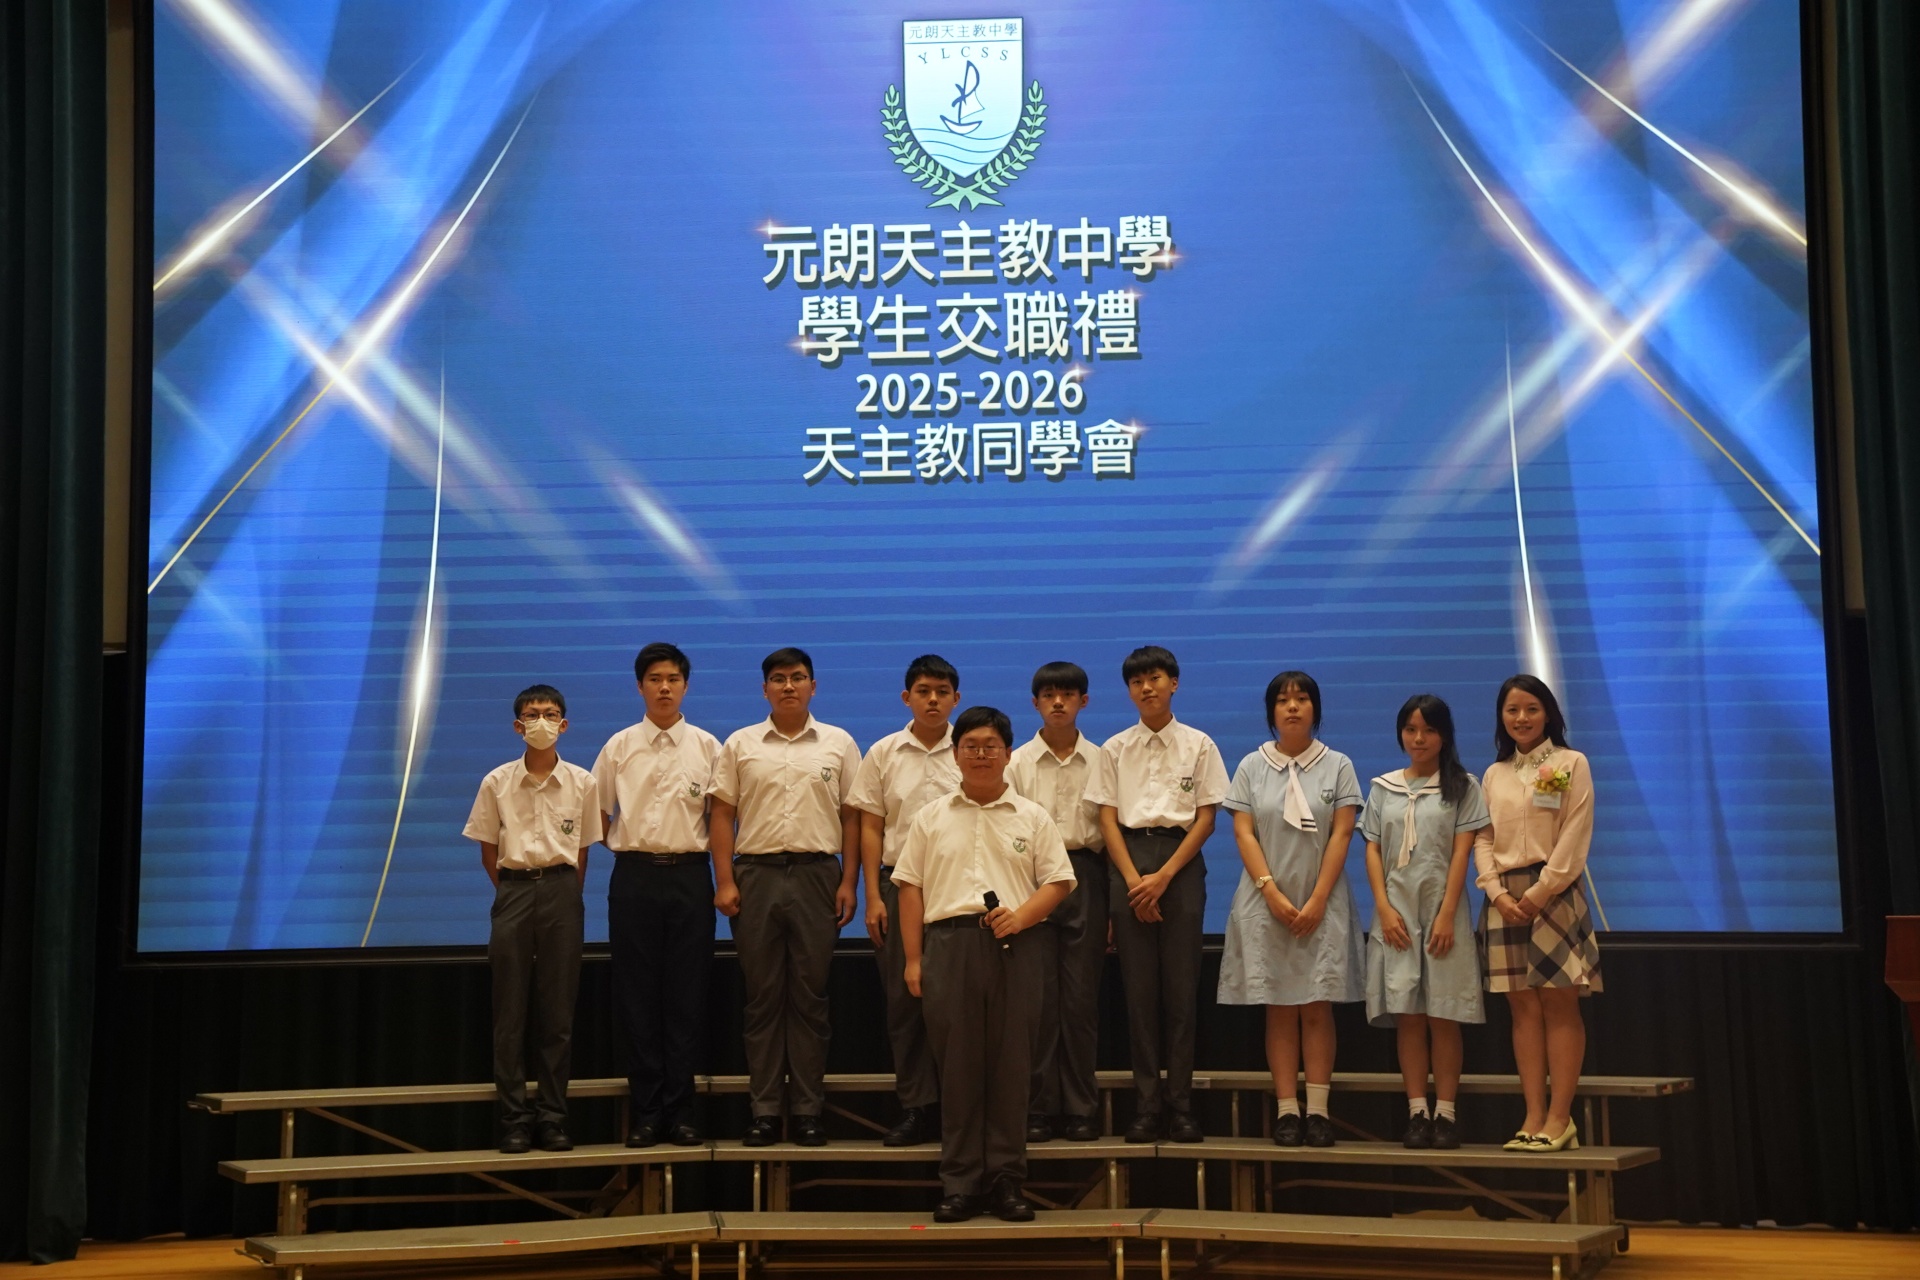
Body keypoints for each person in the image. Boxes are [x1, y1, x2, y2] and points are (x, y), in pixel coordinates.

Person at [896, 705, 1076, 1223]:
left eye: (990, 746)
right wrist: (914, 959)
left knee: (1011, 1069)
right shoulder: (931, 816)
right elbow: (909, 888)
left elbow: (1059, 882)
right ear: (955, 754)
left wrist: (1020, 917)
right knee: (957, 1071)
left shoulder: (1032, 816)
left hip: (1016, 950)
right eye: (970, 746)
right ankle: (959, 1184)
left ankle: (1006, 1181)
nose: (980, 754)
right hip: (948, 949)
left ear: (1008, 753)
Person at [708, 647, 862, 1147]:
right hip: (756, 875)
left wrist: (849, 882)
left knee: (811, 999)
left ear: (813, 686)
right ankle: (767, 1112)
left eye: (798, 677)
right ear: (765, 690)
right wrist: (725, 880)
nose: (789, 686)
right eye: (778, 678)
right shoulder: (740, 743)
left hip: (819, 875)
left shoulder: (839, 743)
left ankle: (809, 1111)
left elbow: (852, 817)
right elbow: (722, 814)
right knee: (763, 999)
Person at [1087, 645, 1230, 1144]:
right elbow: (1107, 819)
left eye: (1155, 678)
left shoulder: (1199, 745)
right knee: (1139, 994)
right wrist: (1132, 881)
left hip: (1180, 865)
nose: (1146, 688)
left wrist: (1164, 877)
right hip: (1128, 863)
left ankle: (1182, 1106)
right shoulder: (1113, 749)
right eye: (1137, 682)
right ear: (1129, 690)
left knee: (1181, 993)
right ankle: (1147, 1106)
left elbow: (1206, 819)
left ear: (1174, 683)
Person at [1216, 671, 1365, 1149]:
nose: (1293, 707)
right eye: (1283, 700)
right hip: (1266, 901)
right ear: (1272, 712)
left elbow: (1343, 833)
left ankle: (1318, 1112)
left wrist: (1317, 898)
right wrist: (1272, 893)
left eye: (1302, 699)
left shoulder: (1338, 764)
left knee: (1317, 1006)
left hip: (1323, 899)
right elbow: (1244, 832)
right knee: (1279, 1008)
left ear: (1316, 708)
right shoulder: (1250, 765)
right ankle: (1286, 1110)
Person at [462, 684, 601, 1154]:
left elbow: (582, 851)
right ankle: (514, 1121)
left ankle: (553, 1119)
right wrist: (514, 890)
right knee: (510, 1013)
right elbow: (488, 850)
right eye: (532, 714)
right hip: (515, 890)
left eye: (551, 713)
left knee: (558, 1013)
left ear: (565, 724)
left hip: (562, 890)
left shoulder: (583, 782)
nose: (542, 721)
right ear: (518, 726)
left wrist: (563, 893)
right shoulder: (496, 782)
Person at [592, 642, 721, 1148]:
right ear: (640, 686)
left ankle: (682, 1113)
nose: (664, 688)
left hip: (691, 877)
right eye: (654, 679)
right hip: (635, 878)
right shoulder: (619, 746)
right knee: (637, 997)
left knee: (687, 996)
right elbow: (597, 814)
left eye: (673, 679)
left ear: (686, 685)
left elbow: (720, 819)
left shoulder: (708, 747)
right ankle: (647, 1114)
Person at [1474, 674, 1601, 1153]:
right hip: (1503, 899)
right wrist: (1495, 892)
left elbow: (1574, 833)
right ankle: (1532, 1115)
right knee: (1522, 1008)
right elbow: (1483, 838)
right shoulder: (1494, 774)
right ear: (1501, 718)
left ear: (1547, 713)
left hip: (1554, 892)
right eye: (1512, 710)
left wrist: (1542, 891)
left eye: (1531, 708)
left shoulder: (1569, 763)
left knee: (1559, 1004)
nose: (1521, 718)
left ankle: (1560, 1118)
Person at [1362, 694, 1489, 1150]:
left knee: (1444, 1015)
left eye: (1429, 730)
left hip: (1443, 915)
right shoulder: (1383, 788)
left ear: (1444, 735)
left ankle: (1446, 1114)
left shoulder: (1463, 786)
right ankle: (1417, 1111)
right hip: (1396, 915)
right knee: (1409, 1017)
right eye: (1411, 729)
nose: (1419, 738)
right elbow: (1373, 849)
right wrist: (1383, 908)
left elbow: (1462, 853)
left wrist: (1447, 913)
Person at [849, 654, 962, 1147]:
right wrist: (872, 896)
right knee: (904, 1003)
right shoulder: (883, 753)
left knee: (960, 1004)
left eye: (942, 691)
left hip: (957, 888)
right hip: (897, 886)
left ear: (956, 698)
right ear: (906, 698)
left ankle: (961, 1108)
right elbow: (871, 826)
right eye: (923, 691)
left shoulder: (972, 747)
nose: (932, 699)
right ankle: (917, 1107)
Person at [1008, 661, 1108, 1143]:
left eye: (1067, 694)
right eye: (1048, 695)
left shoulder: (1103, 759)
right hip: (1032, 880)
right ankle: (1039, 1109)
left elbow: (1111, 832)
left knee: (1080, 1001)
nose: (1058, 702)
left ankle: (1082, 1109)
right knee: (1038, 1003)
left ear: (1083, 701)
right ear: (1035, 703)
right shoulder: (1017, 763)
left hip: (1087, 874)